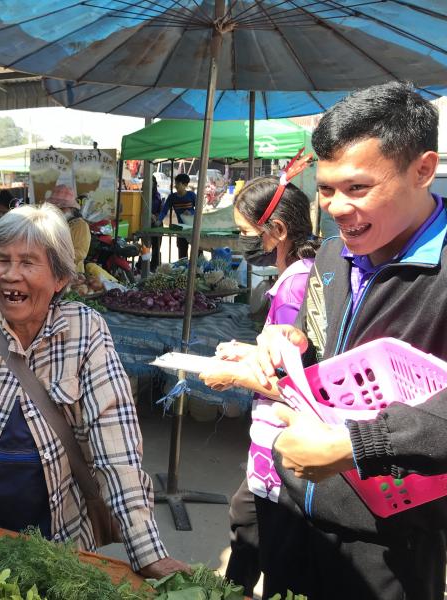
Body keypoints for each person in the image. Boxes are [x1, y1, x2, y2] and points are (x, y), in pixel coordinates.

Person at [0, 203, 188, 578]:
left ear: (61, 278)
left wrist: (147, 551)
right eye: (2, 260)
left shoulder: (84, 334)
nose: (10, 275)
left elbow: (116, 444)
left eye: (28, 263)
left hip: (58, 547)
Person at [253, 81, 447, 600]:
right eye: (325, 189)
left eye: (358, 188)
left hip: (392, 542)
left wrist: (356, 445)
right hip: (294, 508)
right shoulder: (331, 256)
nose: (336, 208)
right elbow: (321, 349)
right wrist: (291, 344)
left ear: (423, 169)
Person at [198, 172, 319, 598]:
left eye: (247, 232)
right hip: (272, 444)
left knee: (273, 551)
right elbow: (290, 358)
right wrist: (248, 352)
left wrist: (232, 375)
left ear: (278, 231)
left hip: (284, 441)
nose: (243, 240)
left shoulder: (294, 287)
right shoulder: (302, 274)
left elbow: (291, 381)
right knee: (245, 518)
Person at [45, 184, 91, 273]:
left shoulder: (80, 225)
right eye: (55, 207)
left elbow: (80, 252)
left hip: (72, 272)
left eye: (62, 208)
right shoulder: (52, 223)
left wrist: (56, 257)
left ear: (70, 208)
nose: (57, 210)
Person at [158, 173, 196, 259]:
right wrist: (159, 220)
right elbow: (164, 210)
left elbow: (199, 210)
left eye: (178, 184)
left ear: (185, 185)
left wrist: (192, 213)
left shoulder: (192, 195)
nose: (175, 186)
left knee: (196, 253)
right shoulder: (172, 197)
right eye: (175, 184)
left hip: (193, 229)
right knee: (182, 255)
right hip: (181, 229)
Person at [149, 176, 163, 270]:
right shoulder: (143, 194)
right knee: (145, 247)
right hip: (146, 224)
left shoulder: (157, 196)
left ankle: (155, 266)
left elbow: (162, 211)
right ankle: (141, 266)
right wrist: (148, 214)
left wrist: (156, 216)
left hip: (156, 224)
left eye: (152, 182)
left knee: (156, 247)